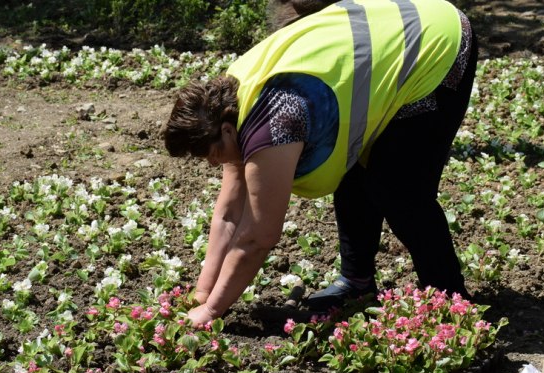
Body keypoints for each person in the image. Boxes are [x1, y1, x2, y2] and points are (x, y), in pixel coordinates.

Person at [164, 0, 478, 326]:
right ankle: (357, 284)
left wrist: (212, 311)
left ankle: (449, 300)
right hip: (388, 44)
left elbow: (258, 237)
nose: (216, 166)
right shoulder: (227, 106)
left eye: (214, 156)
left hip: (436, 44)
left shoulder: (275, 123)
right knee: (355, 169)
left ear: (226, 131)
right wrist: (202, 293)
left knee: (397, 187)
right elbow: (229, 213)